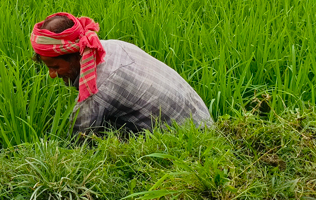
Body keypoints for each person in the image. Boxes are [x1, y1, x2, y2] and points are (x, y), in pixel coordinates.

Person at [30, 12, 213, 136]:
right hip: (203, 121)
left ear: (74, 55)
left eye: (54, 67)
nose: (52, 75)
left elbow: (79, 142)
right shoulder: (110, 46)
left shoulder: (96, 90)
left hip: (191, 145)